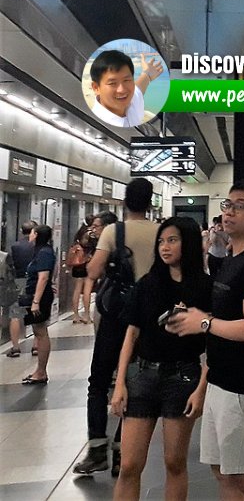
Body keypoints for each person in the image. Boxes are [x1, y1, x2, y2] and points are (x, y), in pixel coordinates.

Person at [168, 179, 244, 501]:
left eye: (240, 206)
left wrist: (202, 322)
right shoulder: (232, 258)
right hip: (221, 381)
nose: (229, 212)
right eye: (227, 205)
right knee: (221, 471)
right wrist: (204, 386)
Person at [110, 218, 212, 501]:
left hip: (183, 378)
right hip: (143, 376)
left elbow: (213, 344)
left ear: (188, 244)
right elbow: (131, 335)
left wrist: (201, 388)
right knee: (129, 465)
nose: (165, 247)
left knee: (174, 463)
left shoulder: (205, 287)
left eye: (172, 240)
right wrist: (120, 384)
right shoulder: (147, 285)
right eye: (161, 241)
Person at [76, 178, 160, 477]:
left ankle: (97, 449)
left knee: (99, 382)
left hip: (115, 317)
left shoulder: (114, 231)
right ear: (151, 202)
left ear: (125, 202)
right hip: (147, 318)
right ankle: (123, 452)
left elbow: (94, 271)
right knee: (135, 383)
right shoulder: (160, 232)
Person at [89, 48, 164, 128]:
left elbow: (138, 89)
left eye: (126, 80)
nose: (122, 90)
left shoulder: (131, 102)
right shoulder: (96, 124)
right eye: (112, 83)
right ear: (96, 88)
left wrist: (147, 73)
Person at [21, 224, 56, 385]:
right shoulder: (43, 251)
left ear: (36, 235)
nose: (30, 235)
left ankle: (41, 371)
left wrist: (36, 301)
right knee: (38, 331)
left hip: (39, 297)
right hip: (38, 295)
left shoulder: (44, 252)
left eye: (32, 233)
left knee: (41, 332)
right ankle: (39, 370)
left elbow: (43, 277)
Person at [5, 220, 37, 358]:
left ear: (21, 231)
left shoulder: (14, 247)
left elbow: (9, 266)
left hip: (19, 282)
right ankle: (36, 346)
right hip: (35, 282)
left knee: (15, 315)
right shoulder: (39, 246)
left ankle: (15, 347)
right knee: (37, 315)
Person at [68, 217, 102, 323]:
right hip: (88, 263)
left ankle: (75, 315)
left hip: (77, 264)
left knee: (77, 290)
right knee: (87, 289)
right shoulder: (91, 234)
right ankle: (86, 315)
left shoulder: (80, 232)